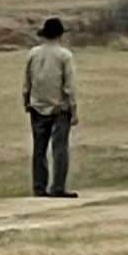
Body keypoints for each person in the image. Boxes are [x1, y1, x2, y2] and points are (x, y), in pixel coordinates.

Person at [23, 17, 79, 199]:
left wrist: (27, 101)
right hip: (59, 108)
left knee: (39, 149)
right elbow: (69, 86)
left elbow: (27, 81)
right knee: (60, 148)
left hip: (37, 105)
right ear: (60, 35)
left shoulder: (33, 53)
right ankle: (58, 187)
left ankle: (39, 187)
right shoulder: (64, 55)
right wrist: (74, 109)